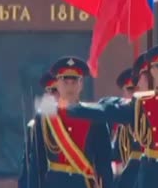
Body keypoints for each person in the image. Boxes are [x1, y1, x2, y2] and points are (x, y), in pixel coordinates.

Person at [61, 43, 158, 188]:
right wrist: (74, 109)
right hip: (151, 173)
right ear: (152, 72)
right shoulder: (141, 102)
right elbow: (109, 111)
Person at [19, 57, 113, 188]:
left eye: (74, 82)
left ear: (81, 84)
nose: (70, 86)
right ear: (57, 83)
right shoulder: (45, 116)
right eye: (65, 81)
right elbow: (37, 164)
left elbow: (104, 165)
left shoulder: (95, 116)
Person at [112, 52, 149, 188]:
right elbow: (116, 158)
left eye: (137, 88)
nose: (135, 93)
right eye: (130, 89)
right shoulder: (121, 124)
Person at [18, 71, 58, 188]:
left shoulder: (77, 121)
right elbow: (28, 169)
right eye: (48, 91)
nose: (52, 95)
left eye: (55, 90)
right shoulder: (34, 126)